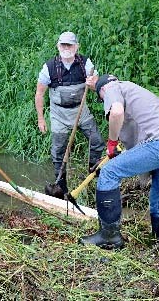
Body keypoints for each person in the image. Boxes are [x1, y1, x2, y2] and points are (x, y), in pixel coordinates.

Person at [79, 74, 159, 251]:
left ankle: (110, 237)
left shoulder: (111, 88)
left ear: (102, 91)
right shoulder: (136, 92)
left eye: (102, 99)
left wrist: (112, 143)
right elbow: (141, 145)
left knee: (109, 172)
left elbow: (116, 112)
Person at [35, 31, 104, 196]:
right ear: (58, 46)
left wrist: (93, 83)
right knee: (58, 150)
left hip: (81, 111)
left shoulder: (85, 64)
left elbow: (97, 85)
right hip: (59, 114)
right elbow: (39, 94)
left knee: (97, 141)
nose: (66, 48)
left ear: (76, 47)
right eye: (63, 45)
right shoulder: (49, 67)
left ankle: (93, 171)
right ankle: (61, 185)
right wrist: (41, 119)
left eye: (70, 45)